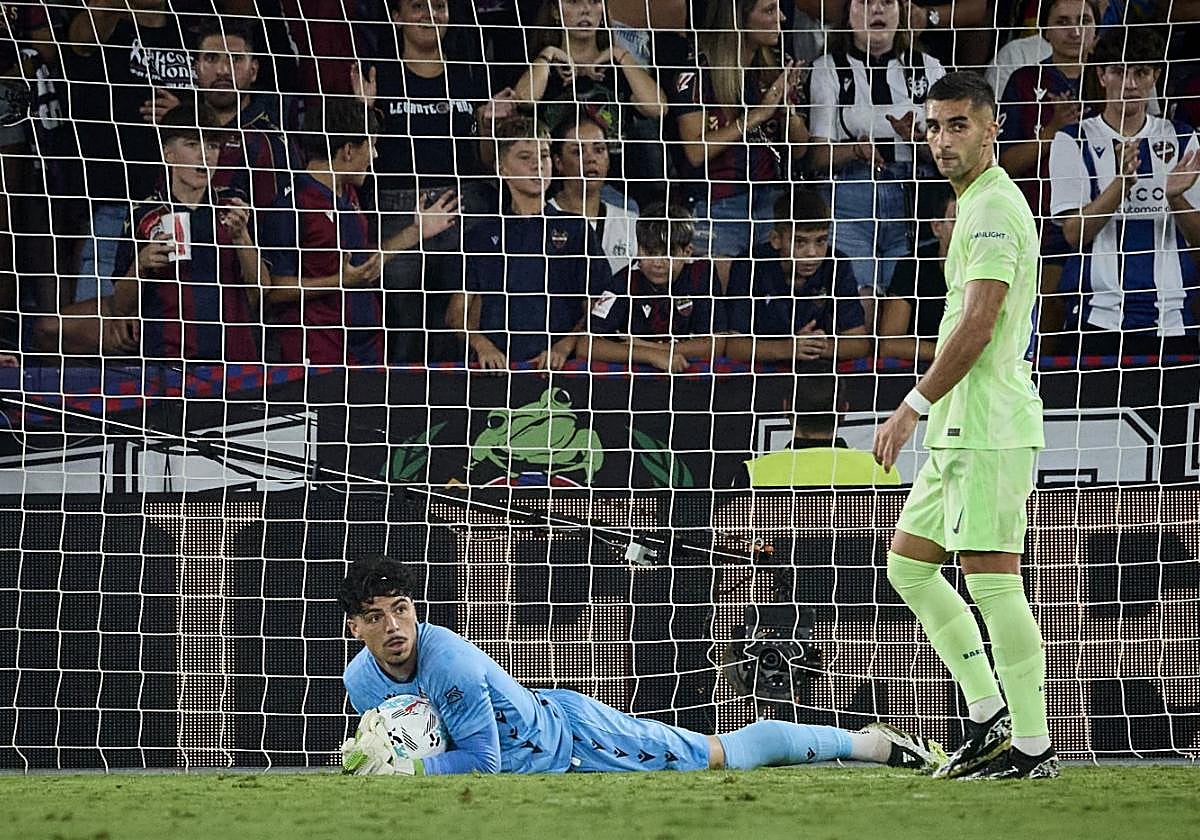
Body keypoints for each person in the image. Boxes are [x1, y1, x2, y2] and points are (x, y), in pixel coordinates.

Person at [337, 554, 947, 776]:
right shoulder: (360, 680)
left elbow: (483, 762)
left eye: (402, 609)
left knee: (720, 754)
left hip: (577, 739)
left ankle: (869, 744)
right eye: (376, 616)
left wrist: (410, 774)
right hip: (545, 767)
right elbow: (404, 744)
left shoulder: (451, 662)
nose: (394, 627)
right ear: (355, 627)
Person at [872, 72, 1055, 780]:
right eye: (933, 127)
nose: (942, 140)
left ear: (990, 129)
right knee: (911, 566)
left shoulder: (991, 210)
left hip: (986, 426)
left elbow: (979, 325)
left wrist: (910, 405)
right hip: (960, 428)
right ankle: (986, 715)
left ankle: (1033, 746)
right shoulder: (976, 204)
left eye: (957, 126)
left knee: (992, 580)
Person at [365, 0, 517, 362]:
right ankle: (396, 409)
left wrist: (488, 125)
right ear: (396, 16)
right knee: (400, 322)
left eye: (439, 6)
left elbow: (485, 160)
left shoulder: (470, 72)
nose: (430, 15)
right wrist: (363, 108)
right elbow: (361, 153)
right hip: (399, 207)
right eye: (418, 6)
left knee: (459, 321)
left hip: (462, 204)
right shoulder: (379, 74)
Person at [262, 98, 458, 366]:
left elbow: (360, 267)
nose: (375, 156)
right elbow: (273, 289)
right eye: (371, 145)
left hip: (366, 346)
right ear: (348, 150)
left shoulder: (349, 194)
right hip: (318, 349)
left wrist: (415, 232)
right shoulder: (292, 204)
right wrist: (339, 281)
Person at [1047, 29, 1200, 358]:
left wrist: (1174, 197)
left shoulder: (1183, 139)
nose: (1129, 85)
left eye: (1141, 73)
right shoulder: (1073, 140)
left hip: (1172, 318)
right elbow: (1074, 234)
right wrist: (1120, 185)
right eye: (1118, 71)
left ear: (1155, 76)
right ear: (1101, 75)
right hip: (1096, 317)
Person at [807, 0, 946, 323]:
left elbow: (947, 154)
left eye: (886, 3)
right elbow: (815, 156)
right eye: (866, 3)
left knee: (899, 309)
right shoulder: (828, 67)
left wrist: (917, 139)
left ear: (902, 11)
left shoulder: (930, 68)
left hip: (912, 198)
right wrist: (855, 151)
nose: (877, 11)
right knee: (859, 306)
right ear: (848, 13)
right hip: (850, 198)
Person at [103, 104, 267, 362]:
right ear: (168, 153)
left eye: (212, 146)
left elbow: (261, 291)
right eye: (192, 145)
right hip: (168, 361)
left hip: (235, 362)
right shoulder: (144, 214)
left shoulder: (234, 208)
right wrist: (141, 264)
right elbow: (121, 307)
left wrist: (241, 239)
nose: (206, 155)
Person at [447, 115, 608, 371]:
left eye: (543, 156)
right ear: (502, 168)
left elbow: (600, 303)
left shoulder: (576, 228)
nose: (538, 165)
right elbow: (456, 313)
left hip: (561, 369)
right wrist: (482, 345)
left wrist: (565, 346)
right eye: (525, 158)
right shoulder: (479, 235)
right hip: (497, 371)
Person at [998, 0, 1099, 351]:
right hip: (1042, 219)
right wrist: (1053, 131)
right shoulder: (1025, 81)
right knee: (1049, 314)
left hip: (1106, 221)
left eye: (1084, 20)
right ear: (1044, 30)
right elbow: (1004, 162)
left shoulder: (1116, 78)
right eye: (1063, 21)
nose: (1075, 31)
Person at [672, 0, 809, 258]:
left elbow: (800, 150)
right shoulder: (698, 68)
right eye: (769, 10)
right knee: (717, 292)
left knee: (769, 289)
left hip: (772, 198)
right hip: (717, 201)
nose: (781, 18)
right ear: (739, 18)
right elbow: (695, 151)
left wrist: (786, 108)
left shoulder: (780, 65)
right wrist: (757, 115)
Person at [513, 0, 666, 192]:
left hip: (616, 193)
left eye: (594, 2)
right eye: (574, 2)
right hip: (555, 196)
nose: (585, 10)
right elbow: (524, 99)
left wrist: (619, 54)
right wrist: (548, 54)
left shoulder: (619, 70)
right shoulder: (542, 69)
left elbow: (658, 108)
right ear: (555, 11)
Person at [723, 187, 871, 366]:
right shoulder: (749, 265)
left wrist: (818, 347)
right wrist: (789, 348)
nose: (812, 253)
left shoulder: (837, 264)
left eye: (820, 241)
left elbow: (860, 344)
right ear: (776, 239)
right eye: (800, 242)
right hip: (761, 373)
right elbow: (734, 347)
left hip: (816, 373)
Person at [581, 204, 724, 371]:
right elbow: (586, 344)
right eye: (649, 253)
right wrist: (650, 356)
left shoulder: (702, 274)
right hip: (639, 374)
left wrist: (653, 348)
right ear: (638, 249)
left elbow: (717, 345)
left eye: (667, 254)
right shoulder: (625, 280)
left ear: (687, 252)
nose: (657, 263)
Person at [739, 377, 901, 487]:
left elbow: (729, 536)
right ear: (844, 411)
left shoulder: (754, 474)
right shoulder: (882, 470)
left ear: (786, 407)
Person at [547, 110, 638, 277]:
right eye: (578, 152)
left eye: (599, 150)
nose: (591, 159)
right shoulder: (542, 221)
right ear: (558, 162)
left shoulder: (631, 224)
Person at [878, 184, 955, 363]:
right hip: (924, 369)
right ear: (937, 227)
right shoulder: (912, 266)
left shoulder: (994, 266)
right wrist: (954, 354)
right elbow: (889, 344)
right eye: (957, 219)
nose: (968, 228)